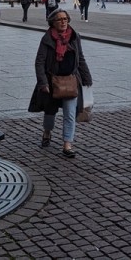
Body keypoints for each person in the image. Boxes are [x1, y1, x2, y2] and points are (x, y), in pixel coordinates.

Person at [28, 10, 92, 159]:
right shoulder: (47, 39)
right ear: (53, 23)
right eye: (59, 20)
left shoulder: (74, 37)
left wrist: (87, 78)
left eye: (65, 19)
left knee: (70, 114)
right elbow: (39, 62)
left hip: (70, 81)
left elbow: (80, 58)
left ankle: (67, 144)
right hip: (52, 82)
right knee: (50, 113)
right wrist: (43, 82)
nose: (63, 22)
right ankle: (47, 132)